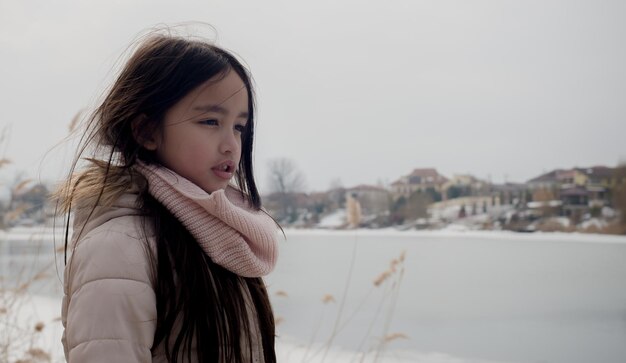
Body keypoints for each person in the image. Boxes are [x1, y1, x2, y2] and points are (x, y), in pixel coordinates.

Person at [56, 32, 279, 363]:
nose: (231, 144)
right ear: (146, 131)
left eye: (239, 127)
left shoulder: (225, 236)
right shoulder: (119, 246)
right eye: (210, 121)